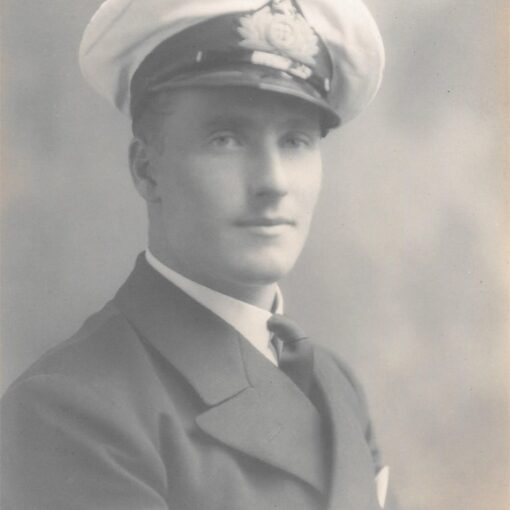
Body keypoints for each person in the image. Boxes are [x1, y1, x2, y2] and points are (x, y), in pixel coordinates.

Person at [1, 0, 395, 508]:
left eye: (295, 140)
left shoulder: (333, 384)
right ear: (147, 170)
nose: (273, 181)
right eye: (226, 139)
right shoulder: (73, 412)